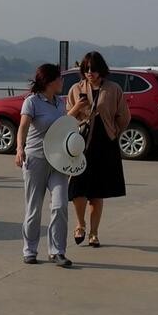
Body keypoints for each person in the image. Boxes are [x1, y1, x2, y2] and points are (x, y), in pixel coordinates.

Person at [66, 51, 129, 248]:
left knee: (97, 191)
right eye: (86, 69)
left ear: (101, 69)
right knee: (77, 188)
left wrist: (114, 131)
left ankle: (94, 233)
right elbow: (67, 117)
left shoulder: (113, 89)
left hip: (105, 144)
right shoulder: (76, 89)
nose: (90, 73)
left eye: (93, 69)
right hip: (80, 143)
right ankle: (80, 225)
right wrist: (78, 106)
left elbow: (124, 116)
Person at [15, 63, 72, 266]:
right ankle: (29, 250)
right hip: (36, 159)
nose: (62, 81)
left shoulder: (61, 103)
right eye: (59, 78)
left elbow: (64, 128)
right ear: (49, 81)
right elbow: (23, 127)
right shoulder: (32, 102)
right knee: (34, 208)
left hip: (58, 161)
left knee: (60, 205)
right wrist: (19, 149)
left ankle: (57, 251)